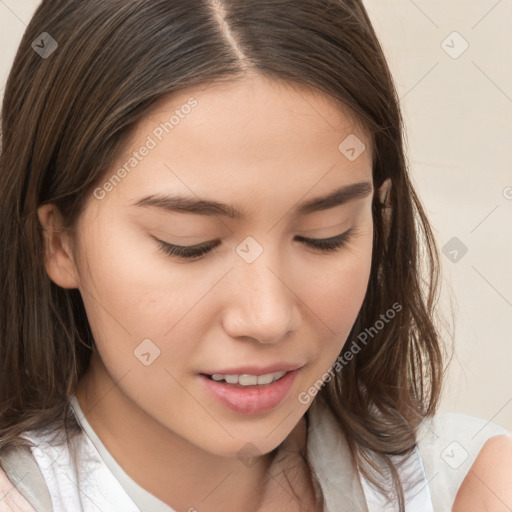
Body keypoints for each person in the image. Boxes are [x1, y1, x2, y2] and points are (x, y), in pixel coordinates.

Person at [0, 1, 510, 511]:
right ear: (59, 241)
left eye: (324, 235)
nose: (267, 317)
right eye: (189, 243)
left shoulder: (470, 487)